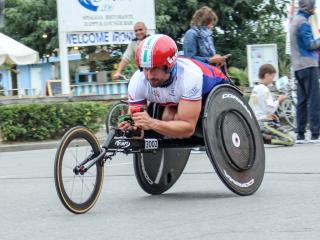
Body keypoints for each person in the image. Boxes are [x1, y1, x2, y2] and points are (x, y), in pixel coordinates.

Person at [119, 34, 228, 138]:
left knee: (174, 118)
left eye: (155, 68)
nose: (150, 75)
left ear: (169, 66)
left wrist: (152, 123)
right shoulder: (138, 80)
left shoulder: (189, 76)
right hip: (177, 99)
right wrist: (131, 125)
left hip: (216, 88)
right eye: (146, 69)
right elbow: (138, 126)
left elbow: (188, 129)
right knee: (168, 116)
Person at [290, 0, 320, 143]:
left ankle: (300, 134)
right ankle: (315, 134)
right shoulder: (303, 22)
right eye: (313, 6)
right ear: (308, 8)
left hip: (297, 66)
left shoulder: (295, 20)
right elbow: (310, 44)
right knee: (314, 99)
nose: (314, 8)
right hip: (308, 65)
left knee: (301, 101)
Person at [249, 64, 294, 146]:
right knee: (291, 140)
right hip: (264, 122)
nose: (273, 80)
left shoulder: (255, 89)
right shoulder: (265, 89)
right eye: (272, 77)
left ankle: (262, 137)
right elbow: (270, 108)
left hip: (255, 122)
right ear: (267, 75)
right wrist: (279, 100)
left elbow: (255, 107)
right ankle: (267, 138)